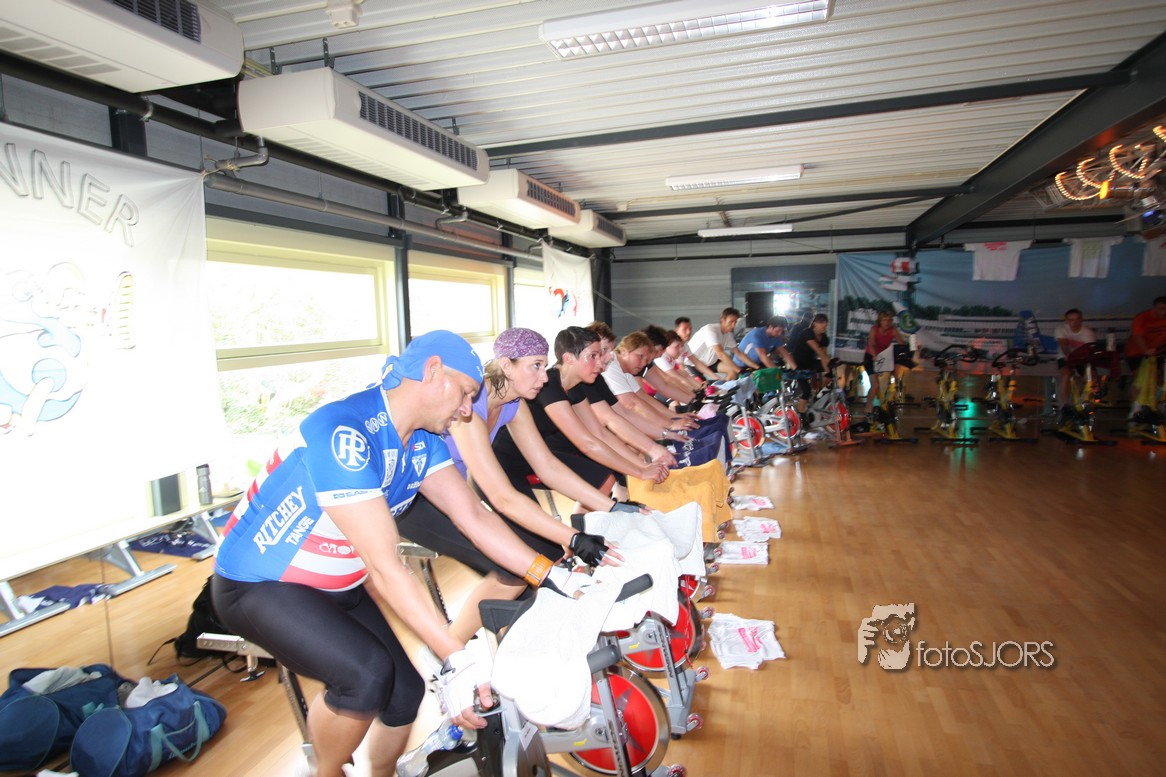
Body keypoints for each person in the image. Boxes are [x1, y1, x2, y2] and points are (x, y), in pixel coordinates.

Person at [211, 331, 555, 777]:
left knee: (405, 695)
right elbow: (387, 567)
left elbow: (474, 516)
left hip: (337, 582)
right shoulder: (343, 432)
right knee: (365, 677)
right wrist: (457, 658)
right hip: (261, 583)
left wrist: (551, 574)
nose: (467, 410)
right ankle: (327, 772)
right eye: (465, 394)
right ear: (432, 372)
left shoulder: (421, 440)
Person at [396, 328, 625, 647]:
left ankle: (519, 638)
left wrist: (614, 507)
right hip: (413, 500)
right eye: (535, 366)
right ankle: (450, 654)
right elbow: (501, 497)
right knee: (516, 569)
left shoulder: (513, 403)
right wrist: (574, 537)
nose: (544, 377)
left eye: (544, 365)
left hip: (451, 492)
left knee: (545, 553)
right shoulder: (468, 406)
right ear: (506, 365)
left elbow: (548, 467)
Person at [492, 326, 669, 506]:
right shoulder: (549, 385)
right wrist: (640, 471)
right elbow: (587, 444)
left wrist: (643, 466)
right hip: (506, 460)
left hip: (535, 454)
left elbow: (599, 433)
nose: (601, 363)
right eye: (593, 356)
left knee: (602, 479)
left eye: (600, 355)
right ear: (569, 358)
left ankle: (587, 521)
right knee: (600, 480)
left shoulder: (575, 387)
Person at [863, 309, 916, 413]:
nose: (887, 322)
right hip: (871, 357)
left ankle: (885, 403)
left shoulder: (893, 330)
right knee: (875, 385)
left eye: (889, 320)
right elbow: (871, 343)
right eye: (884, 320)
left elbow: (901, 344)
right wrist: (875, 355)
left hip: (884, 357)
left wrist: (907, 352)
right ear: (880, 321)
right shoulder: (874, 329)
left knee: (892, 378)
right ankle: (868, 407)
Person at [686, 307, 760, 380]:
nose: (733, 325)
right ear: (722, 321)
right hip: (693, 364)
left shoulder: (728, 334)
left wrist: (758, 368)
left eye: (735, 322)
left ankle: (723, 387)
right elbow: (720, 353)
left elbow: (738, 353)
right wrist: (740, 371)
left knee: (733, 372)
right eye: (731, 322)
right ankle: (720, 387)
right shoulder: (710, 330)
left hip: (711, 362)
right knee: (703, 385)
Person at [1124, 296, 1166, 413]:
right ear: (1154, 308)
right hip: (1137, 352)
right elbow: (1137, 336)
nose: (1164, 312)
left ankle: (1156, 404)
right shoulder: (1142, 318)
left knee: (1159, 377)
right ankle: (1136, 407)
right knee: (1139, 377)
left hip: (1158, 352)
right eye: (1161, 309)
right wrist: (1146, 350)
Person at [791, 313, 833, 413]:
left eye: (825, 324)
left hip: (810, 362)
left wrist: (828, 372)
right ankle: (801, 413)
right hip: (798, 363)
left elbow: (824, 356)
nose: (824, 326)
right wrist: (828, 363)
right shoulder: (808, 333)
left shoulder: (824, 338)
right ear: (814, 323)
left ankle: (820, 393)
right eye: (821, 323)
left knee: (830, 371)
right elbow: (819, 352)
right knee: (806, 391)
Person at [674, 315, 722, 382]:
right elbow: (681, 370)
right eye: (685, 329)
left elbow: (697, 363)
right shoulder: (674, 347)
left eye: (690, 329)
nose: (689, 332)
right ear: (676, 331)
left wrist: (716, 377)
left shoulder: (685, 346)